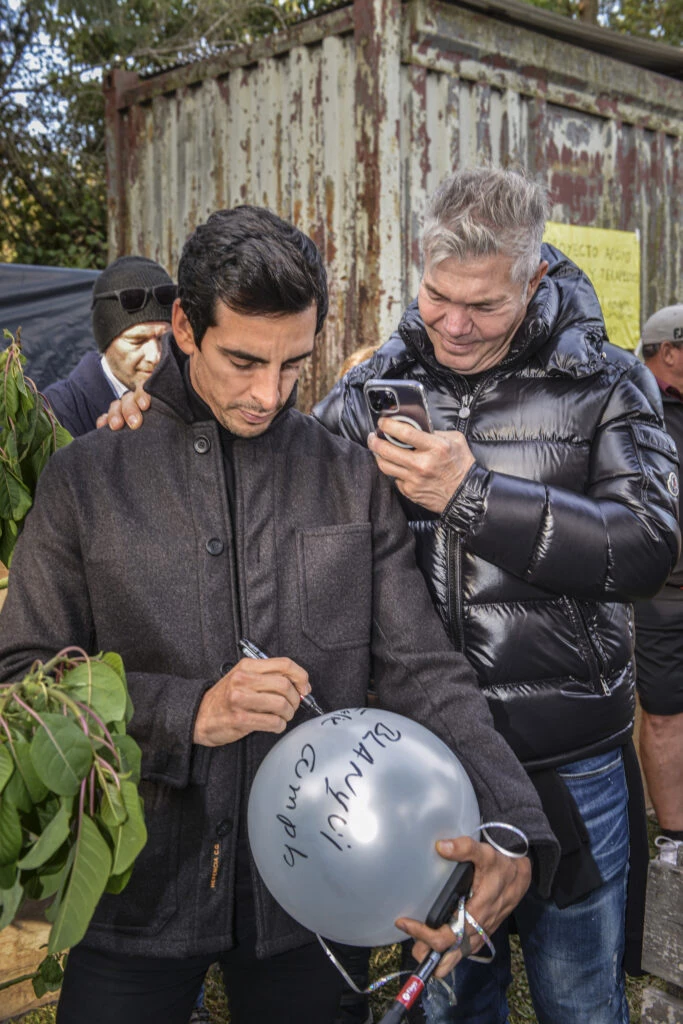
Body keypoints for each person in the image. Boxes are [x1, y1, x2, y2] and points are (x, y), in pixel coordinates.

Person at [0, 206, 559, 1024]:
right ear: (184, 328)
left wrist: (510, 823)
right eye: (243, 360)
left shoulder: (347, 477)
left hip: (312, 894)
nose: (267, 394)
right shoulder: (86, 480)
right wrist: (187, 711)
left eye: (294, 363)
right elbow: (23, 679)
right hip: (138, 889)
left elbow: (422, 668)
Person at [312, 168, 680, 1023]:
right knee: (448, 996)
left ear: (533, 277)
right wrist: (160, 418)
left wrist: (472, 496)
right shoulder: (375, 383)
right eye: (437, 297)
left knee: (578, 997)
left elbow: (646, 549)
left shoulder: (607, 381)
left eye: (482, 305)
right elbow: (280, 483)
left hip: (569, 756)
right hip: (427, 759)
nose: (452, 324)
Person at [635, 304, 683, 865]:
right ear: (669, 350)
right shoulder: (636, 402)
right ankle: (674, 837)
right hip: (661, 592)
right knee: (666, 711)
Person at [42, 256, 175, 436]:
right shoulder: (58, 411)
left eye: (164, 338)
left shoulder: (194, 395)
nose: (155, 355)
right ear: (105, 342)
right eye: (137, 341)